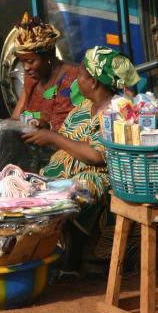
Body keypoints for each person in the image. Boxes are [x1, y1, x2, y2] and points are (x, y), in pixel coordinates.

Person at [24, 46, 139, 275]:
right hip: (71, 170)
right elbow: (70, 140)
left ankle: (78, 255)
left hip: (109, 178)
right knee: (33, 183)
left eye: (81, 75)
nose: (77, 79)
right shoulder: (85, 107)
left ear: (93, 82)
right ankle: (56, 250)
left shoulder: (119, 111)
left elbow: (97, 156)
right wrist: (47, 130)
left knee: (80, 187)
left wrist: (53, 137)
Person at [10, 14, 82, 131]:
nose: (26, 68)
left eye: (30, 61)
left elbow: (61, 131)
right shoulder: (32, 77)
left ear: (48, 57)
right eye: (22, 62)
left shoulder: (70, 81)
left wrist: (42, 124)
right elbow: (15, 118)